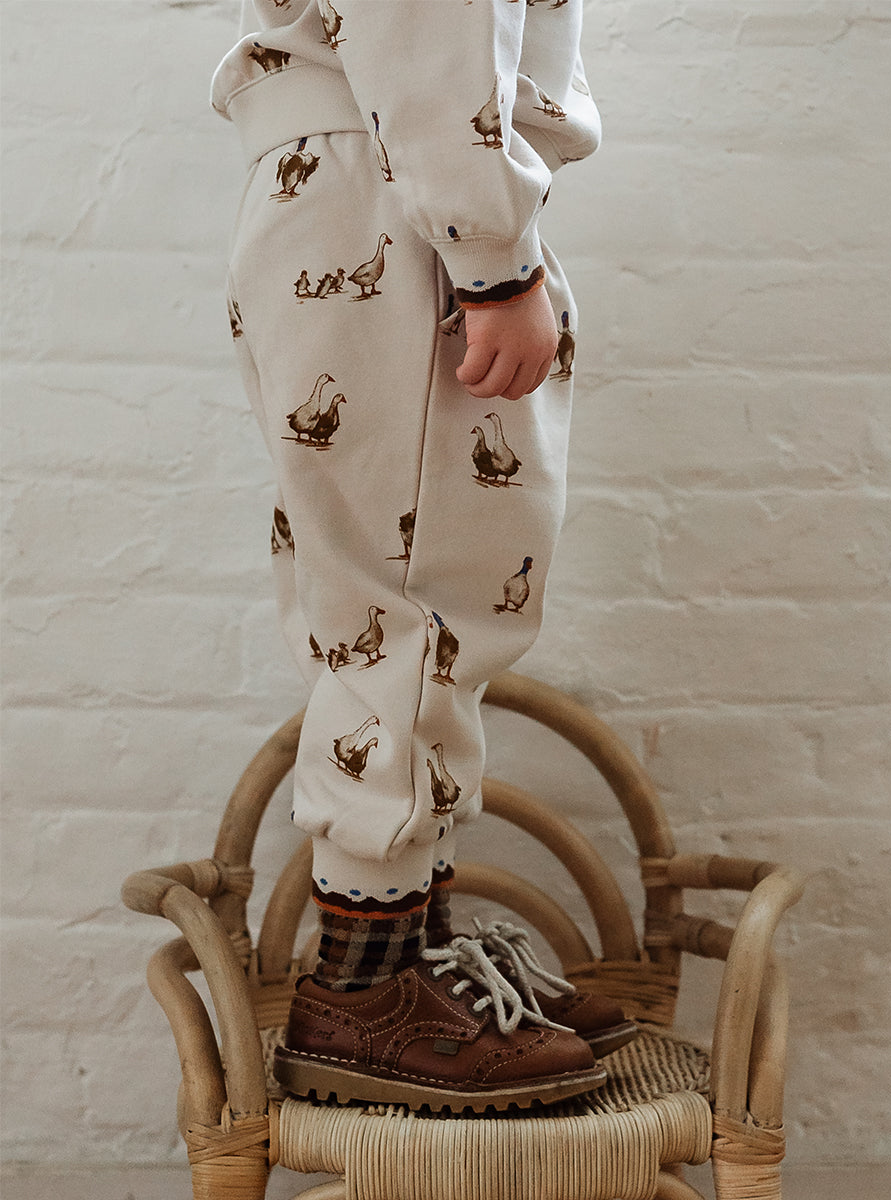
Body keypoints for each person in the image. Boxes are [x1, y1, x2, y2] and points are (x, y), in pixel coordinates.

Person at [212, 0, 635, 1113]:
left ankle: (415, 947)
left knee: (406, 593)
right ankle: (366, 993)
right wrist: (494, 261)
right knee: (415, 596)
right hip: (396, 190)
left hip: (373, 176)